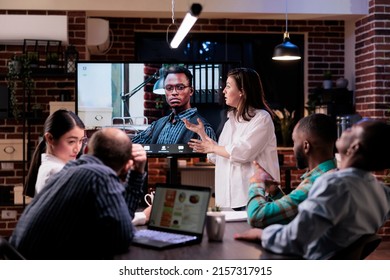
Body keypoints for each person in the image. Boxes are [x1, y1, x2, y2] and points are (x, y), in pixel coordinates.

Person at [235, 119, 390, 260]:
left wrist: (262, 235)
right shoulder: (381, 192)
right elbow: (308, 221)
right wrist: (275, 193)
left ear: (355, 147)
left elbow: (295, 238)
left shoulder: (333, 185)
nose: (346, 129)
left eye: (352, 129)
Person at [10, 128, 147, 260]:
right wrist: (137, 172)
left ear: (86, 150)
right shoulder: (100, 176)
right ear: (127, 164)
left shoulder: (68, 169)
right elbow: (123, 238)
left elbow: (122, 220)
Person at [184, 67, 280, 210]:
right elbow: (221, 157)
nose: (224, 91)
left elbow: (242, 153)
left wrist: (212, 147)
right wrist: (203, 136)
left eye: (228, 86)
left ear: (242, 91)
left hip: (253, 200)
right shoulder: (231, 121)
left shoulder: (262, 118)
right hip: (227, 200)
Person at [247, 113, 337, 228]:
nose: (293, 148)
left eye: (294, 142)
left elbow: (257, 216)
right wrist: (275, 192)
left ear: (306, 146)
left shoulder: (317, 183)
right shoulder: (332, 174)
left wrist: (257, 182)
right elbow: (295, 212)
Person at [131, 65, 217, 144]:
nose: (174, 92)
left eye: (180, 87)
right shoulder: (158, 124)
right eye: (169, 88)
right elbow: (131, 145)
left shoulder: (203, 128)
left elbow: (211, 159)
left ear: (191, 91)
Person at [24, 109, 86, 197]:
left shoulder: (53, 168)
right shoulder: (56, 172)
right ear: (50, 138)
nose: (77, 149)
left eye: (81, 141)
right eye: (71, 141)